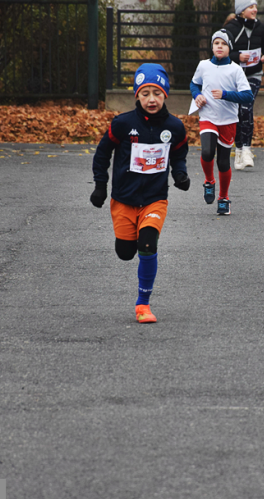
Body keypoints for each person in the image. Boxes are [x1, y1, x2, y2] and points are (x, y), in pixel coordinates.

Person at [90, 63, 190, 324]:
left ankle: (143, 304)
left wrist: (180, 174)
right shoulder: (123, 124)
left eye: (156, 93)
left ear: (165, 94)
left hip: (155, 199)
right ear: (137, 95)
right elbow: (102, 154)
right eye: (145, 93)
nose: (151, 99)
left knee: (147, 245)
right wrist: (100, 185)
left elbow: (179, 154)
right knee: (125, 251)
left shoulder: (175, 128)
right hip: (123, 198)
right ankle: (128, 241)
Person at [190, 29, 254, 215]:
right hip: (208, 116)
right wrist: (197, 95)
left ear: (229, 48)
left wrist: (225, 95)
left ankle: (224, 198)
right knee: (208, 151)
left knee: (223, 162)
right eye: (216, 43)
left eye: (224, 44)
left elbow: (248, 96)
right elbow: (194, 83)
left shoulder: (235, 69)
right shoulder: (203, 65)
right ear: (212, 46)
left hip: (228, 120)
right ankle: (209, 181)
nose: (219, 46)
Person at [224, 0, 264, 171]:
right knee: (238, 111)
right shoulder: (230, 28)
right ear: (241, 10)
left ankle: (246, 148)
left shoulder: (260, 27)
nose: (255, 9)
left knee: (246, 107)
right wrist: (238, 57)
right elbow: (222, 52)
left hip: (254, 74)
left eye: (255, 6)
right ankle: (238, 149)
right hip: (235, 76)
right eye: (251, 7)